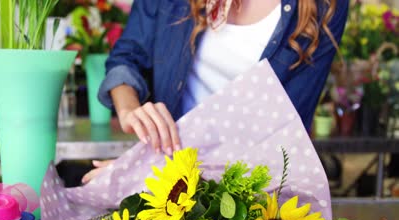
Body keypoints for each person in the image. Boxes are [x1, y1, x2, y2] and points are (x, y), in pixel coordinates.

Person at [82, 0, 349, 184]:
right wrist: (130, 109)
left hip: (251, 193)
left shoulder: (321, 7)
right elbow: (127, 57)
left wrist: (145, 174)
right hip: (167, 184)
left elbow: (279, 128)